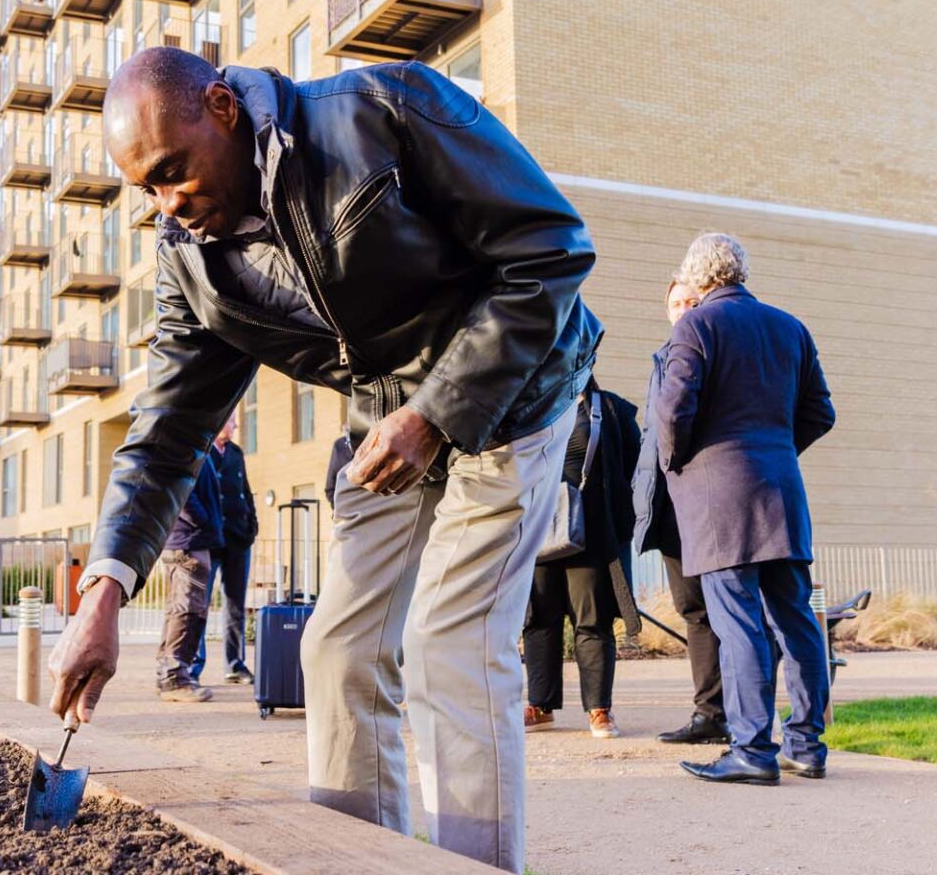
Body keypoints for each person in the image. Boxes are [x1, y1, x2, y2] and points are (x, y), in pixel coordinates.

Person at [51, 47, 600, 872]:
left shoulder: (379, 109)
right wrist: (104, 587)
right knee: (336, 648)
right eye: (148, 190)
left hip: (514, 396)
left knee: (450, 640)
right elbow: (165, 431)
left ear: (223, 110)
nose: (169, 204)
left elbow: (551, 251)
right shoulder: (192, 264)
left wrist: (435, 414)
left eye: (174, 171)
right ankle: (359, 860)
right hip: (385, 426)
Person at [651, 233, 835, 785]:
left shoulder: (695, 326)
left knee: (737, 624)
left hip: (718, 495)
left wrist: (677, 462)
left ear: (697, 277)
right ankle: (806, 746)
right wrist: (775, 450)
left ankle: (752, 749)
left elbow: (672, 413)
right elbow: (820, 412)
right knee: (795, 619)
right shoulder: (791, 328)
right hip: (782, 489)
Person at [633, 278, 730, 746]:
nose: (683, 309)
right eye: (675, 303)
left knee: (728, 607)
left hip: (710, 499)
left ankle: (743, 715)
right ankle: (709, 713)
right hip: (670, 506)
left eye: (692, 301)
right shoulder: (661, 357)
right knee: (694, 609)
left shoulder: (719, 351)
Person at [521, 379, 642, 738]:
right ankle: (540, 706)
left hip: (591, 532)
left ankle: (599, 710)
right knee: (539, 618)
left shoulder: (611, 409)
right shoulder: (528, 401)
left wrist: (622, 524)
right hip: (539, 526)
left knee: (593, 620)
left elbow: (633, 468)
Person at [190, 413, 255, 684]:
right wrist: (206, 524)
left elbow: (246, 491)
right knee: (200, 605)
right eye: (231, 421)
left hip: (239, 539)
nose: (236, 425)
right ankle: (193, 666)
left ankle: (235, 664)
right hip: (210, 540)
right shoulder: (201, 452)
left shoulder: (236, 453)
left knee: (236, 604)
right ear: (218, 422)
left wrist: (252, 523)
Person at [156, 450, 223, 702]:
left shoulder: (193, 446)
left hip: (188, 540)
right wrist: (202, 521)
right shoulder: (187, 445)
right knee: (186, 611)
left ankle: (169, 674)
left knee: (180, 609)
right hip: (188, 541)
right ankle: (174, 679)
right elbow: (180, 489)